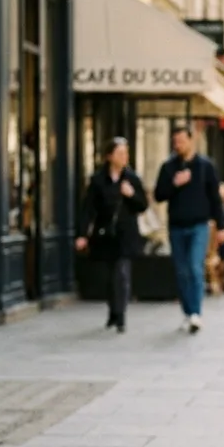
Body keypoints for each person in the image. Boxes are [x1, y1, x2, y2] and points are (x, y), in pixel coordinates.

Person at [153, 126, 224, 333]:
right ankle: (188, 312)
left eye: (181, 141)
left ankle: (196, 313)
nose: (178, 145)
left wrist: (222, 226)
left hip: (199, 225)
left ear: (191, 141)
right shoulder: (168, 167)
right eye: (175, 142)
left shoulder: (205, 166)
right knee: (181, 271)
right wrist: (174, 183)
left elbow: (215, 199)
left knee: (195, 268)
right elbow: (159, 195)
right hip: (176, 226)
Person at [74, 137, 147, 332]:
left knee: (122, 273)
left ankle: (121, 315)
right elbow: (88, 209)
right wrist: (82, 234)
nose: (125, 157)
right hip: (105, 233)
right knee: (108, 276)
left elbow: (143, 205)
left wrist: (131, 195)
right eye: (120, 153)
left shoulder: (132, 178)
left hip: (126, 233)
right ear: (109, 156)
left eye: (126, 153)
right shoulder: (98, 180)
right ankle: (113, 311)